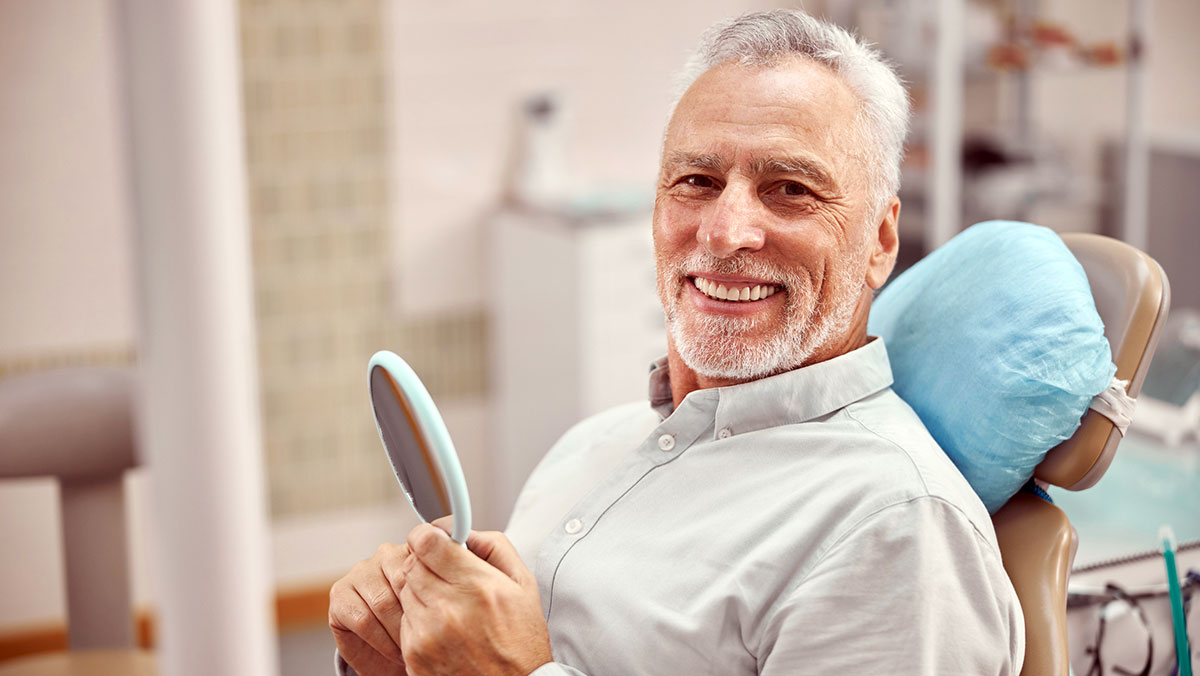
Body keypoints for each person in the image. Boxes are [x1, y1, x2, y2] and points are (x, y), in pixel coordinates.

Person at [329, 9, 1024, 675]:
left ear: (880, 240)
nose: (724, 232)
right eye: (697, 181)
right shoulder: (591, 446)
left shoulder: (894, 530)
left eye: (789, 189)